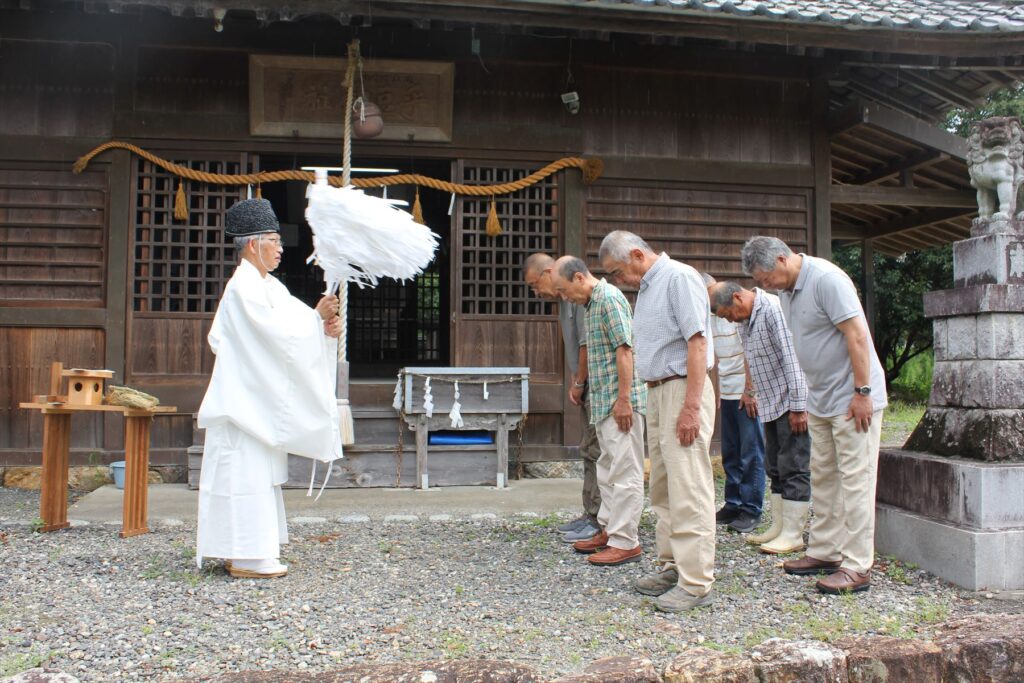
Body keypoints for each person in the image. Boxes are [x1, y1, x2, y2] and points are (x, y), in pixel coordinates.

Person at [196, 198, 344, 579]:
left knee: (253, 477)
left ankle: (249, 550)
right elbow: (277, 336)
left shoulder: (268, 286)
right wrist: (315, 320)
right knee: (243, 476)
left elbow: (295, 328)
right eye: (274, 241)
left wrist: (322, 329)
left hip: (254, 402)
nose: (280, 249)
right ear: (252, 245)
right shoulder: (243, 287)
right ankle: (247, 555)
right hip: (243, 405)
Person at [740, 236, 887, 595]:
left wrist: (862, 392)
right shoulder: (787, 292)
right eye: (759, 283)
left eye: (764, 278)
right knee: (822, 475)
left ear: (781, 259)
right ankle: (825, 550)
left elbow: (856, 335)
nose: (764, 287)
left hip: (852, 397)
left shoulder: (826, 279)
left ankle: (857, 565)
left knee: (856, 479)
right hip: (819, 398)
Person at [598, 231, 716, 613]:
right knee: (664, 487)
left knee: (689, 485)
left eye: (618, 272)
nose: (618, 281)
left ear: (636, 254)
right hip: (658, 389)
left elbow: (697, 342)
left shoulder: (679, 277)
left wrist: (692, 407)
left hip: (683, 388)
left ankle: (696, 581)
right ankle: (672, 565)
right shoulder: (648, 288)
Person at [550, 255, 647, 567]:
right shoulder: (590, 304)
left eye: (565, 290)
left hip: (619, 401)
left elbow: (625, 348)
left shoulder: (609, 299)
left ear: (579, 278)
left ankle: (626, 541)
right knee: (607, 468)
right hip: (604, 400)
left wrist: (624, 399)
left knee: (625, 472)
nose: (565, 298)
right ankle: (609, 528)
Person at [708, 281, 811, 555]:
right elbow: (752, 360)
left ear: (738, 297)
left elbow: (793, 359)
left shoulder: (773, 309)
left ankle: (794, 533)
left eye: (727, 313)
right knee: (774, 465)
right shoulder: (744, 320)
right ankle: (779, 526)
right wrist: (752, 391)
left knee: (794, 464)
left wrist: (799, 406)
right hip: (769, 400)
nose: (728, 320)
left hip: (789, 400)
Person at [522, 253, 602, 543]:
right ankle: (590, 513)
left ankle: (598, 517)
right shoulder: (565, 299)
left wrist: (579, 382)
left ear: (547, 272)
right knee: (589, 448)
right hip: (587, 381)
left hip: (598, 384)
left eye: (534, 284)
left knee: (595, 450)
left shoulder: (578, 295)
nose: (536, 292)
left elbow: (585, 344)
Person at [701, 273, 766, 535]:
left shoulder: (733, 311)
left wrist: (751, 390)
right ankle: (733, 502)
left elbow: (750, 351)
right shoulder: (710, 315)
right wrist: (716, 389)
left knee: (751, 451)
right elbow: (711, 357)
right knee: (730, 451)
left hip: (746, 392)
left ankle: (751, 509)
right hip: (727, 391)